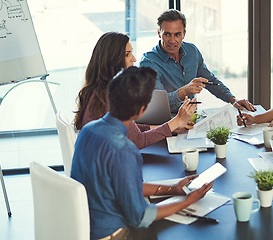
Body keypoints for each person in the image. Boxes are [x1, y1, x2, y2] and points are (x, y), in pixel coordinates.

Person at [71, 66, 213, 240]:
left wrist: (173, 189)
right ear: (141, 111)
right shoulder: (125, 150)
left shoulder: (87, 130)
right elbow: (140, 217)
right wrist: (187, 202)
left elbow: (123, 184)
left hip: (87, 226)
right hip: (113, 234)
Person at [74, 32, 197, 149]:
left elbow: (129, 129)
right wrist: (178, 120)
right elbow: (137, 140)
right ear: (113, 61)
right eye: (127, 54)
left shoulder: (99, 90)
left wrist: (169, 127)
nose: (133, 59)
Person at [140, 9, 255, 113]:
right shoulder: (148, 63)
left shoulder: (192, 51)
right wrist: (183, 92)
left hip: (192, 117)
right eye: (167, 34)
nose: (172, 40)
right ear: (159, 33)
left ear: (184, 34)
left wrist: (233, 99)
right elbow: (157, 105)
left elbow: (210, 80)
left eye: (177, 34)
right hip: (167, 123)